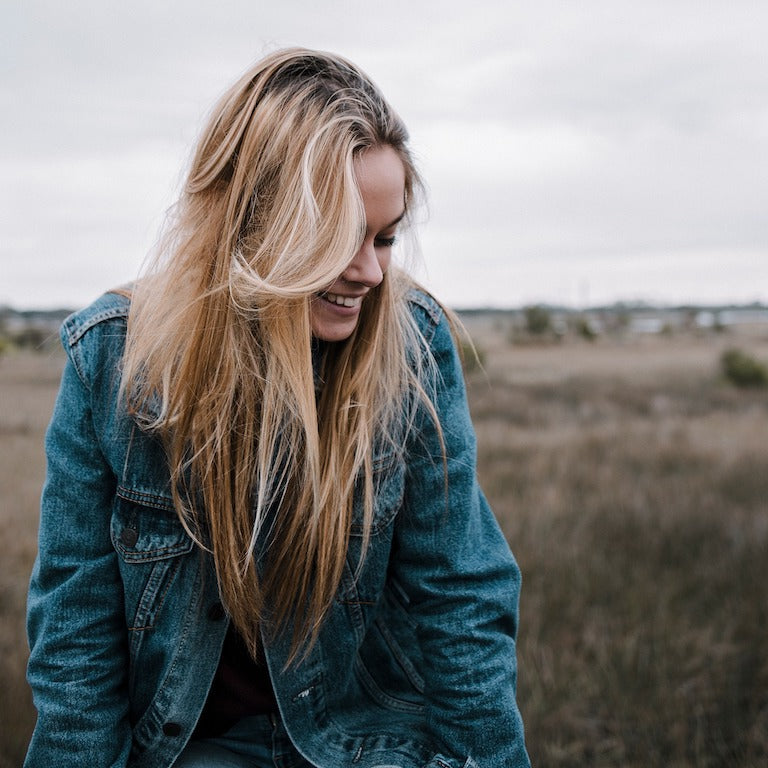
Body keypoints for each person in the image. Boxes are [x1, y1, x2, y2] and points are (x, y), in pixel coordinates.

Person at [24, 48, 531, 768]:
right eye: (340, 237)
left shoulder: (412, 346)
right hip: (186, 749)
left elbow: (462, 593)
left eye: (385, 237)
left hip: (370, 742)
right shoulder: (110, 360)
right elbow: (74, 630)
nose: (370, 272)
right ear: (251, 222)